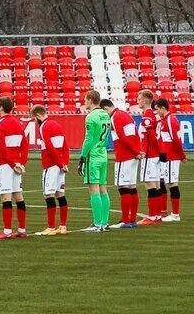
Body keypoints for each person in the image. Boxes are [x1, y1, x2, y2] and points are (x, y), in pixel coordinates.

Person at [0, 95, 29, 239]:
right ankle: (21, 229)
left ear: (1, 107)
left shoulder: (0, 124)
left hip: (6, 164)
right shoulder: (18, 122)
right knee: (18, 195)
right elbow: (24, 144)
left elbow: (2, 147)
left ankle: (7, 230)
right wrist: (21, 163)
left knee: (6, 196)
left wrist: (12, 164)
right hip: (17, 164)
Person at [31, 105, 70, 236]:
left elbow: (49, 147)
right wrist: (64, 163)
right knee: (60, 194)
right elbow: (65, 144)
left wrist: (59, 163)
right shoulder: (56, 124)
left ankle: (51, 227)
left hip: (51, 165)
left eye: (34, 119)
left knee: (49, 195)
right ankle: (63, 226)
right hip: (60, 165)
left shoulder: (44, 126)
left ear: (38, 116)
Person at [78, 90, 112, 232]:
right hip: (103, 154)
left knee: (94, 189)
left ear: (91, 100)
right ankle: (104, 222)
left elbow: (89, 139)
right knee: (103, 188)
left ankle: (97, 223)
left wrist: (82, 156)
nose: (84, 102)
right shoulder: (106, 114)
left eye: (85, 100)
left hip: (93, 156)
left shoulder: (91, 117)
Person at [106, 99, 140, 229]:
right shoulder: (126, 115)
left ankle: (125, 220)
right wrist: (138, 151)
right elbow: (134, 135)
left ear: (106, 109)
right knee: (131, 187)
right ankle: (132, 219)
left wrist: (134, 151)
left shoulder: (115, 117)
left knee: (123, 187)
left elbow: (122, 137)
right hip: (132, 155)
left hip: (124, 155)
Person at [136, 91, 165, 224]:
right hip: (156, 155)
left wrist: (144, 151)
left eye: (139, 98)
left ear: (146, 100)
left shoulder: (147, 116)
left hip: (150, 155)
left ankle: (152, 216)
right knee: (157, 184)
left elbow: (151, 137)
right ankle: (157, 215)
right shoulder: (155, 115)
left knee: (150, 184)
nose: (137, 100)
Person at [156, 98, 183, 222]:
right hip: (166, 156)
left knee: (172, 184)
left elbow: (176, 140)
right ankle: (165, 211)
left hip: (171, 156)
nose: (156, 112)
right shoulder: (164, 120)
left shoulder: (171, 120)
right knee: (166, 182)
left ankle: (175, 214)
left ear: (162, 108)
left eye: (157, 109)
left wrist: (181, 155)